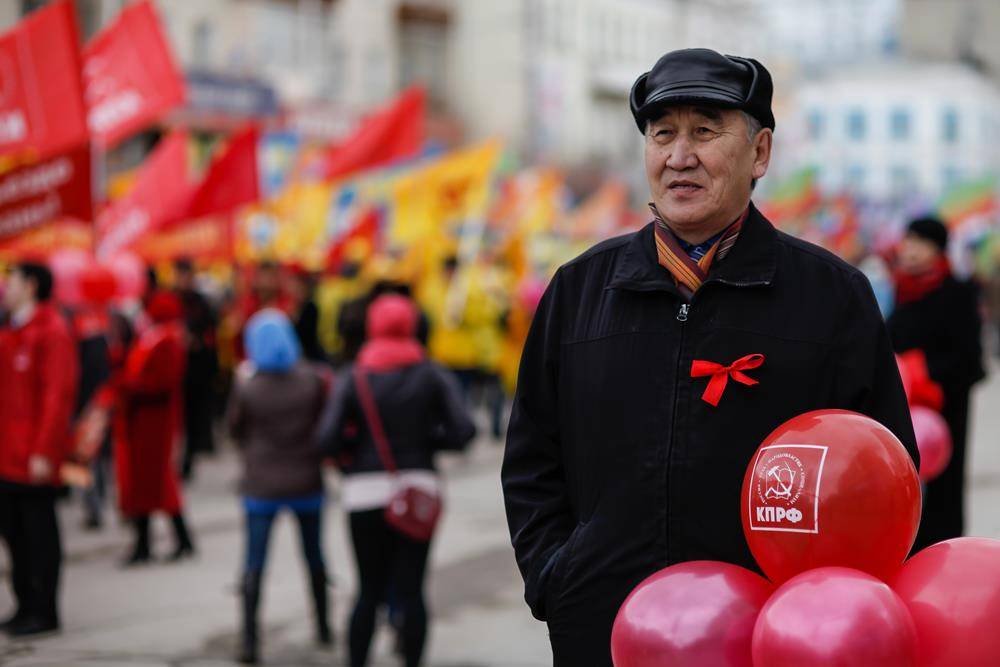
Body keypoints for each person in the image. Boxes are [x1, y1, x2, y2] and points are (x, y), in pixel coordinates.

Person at [501, 48, 919, 665]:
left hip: (768, 639)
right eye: (662, 134)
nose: (679, 156)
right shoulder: (579, 290)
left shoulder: (832, 297)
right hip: (602, 629)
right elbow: (532, 458)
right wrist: (556, 577)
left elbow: (888, 477)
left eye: (704, 131)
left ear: (760, 153)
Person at [319, 294, 475, 667]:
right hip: (419, 488)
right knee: (412, 589)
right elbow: (464, 430)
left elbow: (325, 439)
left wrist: (354, 457)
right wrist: (427, 443)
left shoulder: (354, 375)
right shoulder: (431, 372)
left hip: (363, 493)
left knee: (368, 590)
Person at [227, 309, 332, 664]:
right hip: (306, 481)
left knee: (254, 562)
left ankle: (250, 639)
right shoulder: (312, 380)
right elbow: (324, 425)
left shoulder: (248, 385)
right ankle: (323, 625)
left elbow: (234, 429)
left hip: (261, 485)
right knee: (314, 556)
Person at [887, 216, 986, 549]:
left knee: (945, 485)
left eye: (920, 243)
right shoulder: (902, 289)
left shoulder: (957, 292)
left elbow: (969, 357)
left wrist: (922, 370)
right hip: (906, 404)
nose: (910, 250)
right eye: (908, 241)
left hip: (945, 406)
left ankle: (946, 549)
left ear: (938, 249)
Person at [0, 262, 79, 637]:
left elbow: (56, 398)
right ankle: (24, 604)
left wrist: (44, 451)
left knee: (39, 534)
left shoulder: (52, 332)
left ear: (31, 286)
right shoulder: (11, 332)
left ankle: (45, 609)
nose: (5, 288)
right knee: (13, 533)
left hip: (33, 456)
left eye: (11, 281)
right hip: (6, 455)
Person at [110, 291, 196, 565]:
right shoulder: (153, 337)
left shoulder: (167, 339)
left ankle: (156, 542)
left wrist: (129, 386)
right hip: (143, 422)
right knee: (147, 484)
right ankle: (158, 541)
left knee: (155, 482)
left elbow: (162, 382)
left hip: (155, 423)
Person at [174, 258, 219, 482]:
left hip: (196, 370)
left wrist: (196, 342)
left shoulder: (201, 303)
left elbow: (211, 334)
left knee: (193, 418)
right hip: (175, 371)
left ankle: (188, 460)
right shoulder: (171, 300)